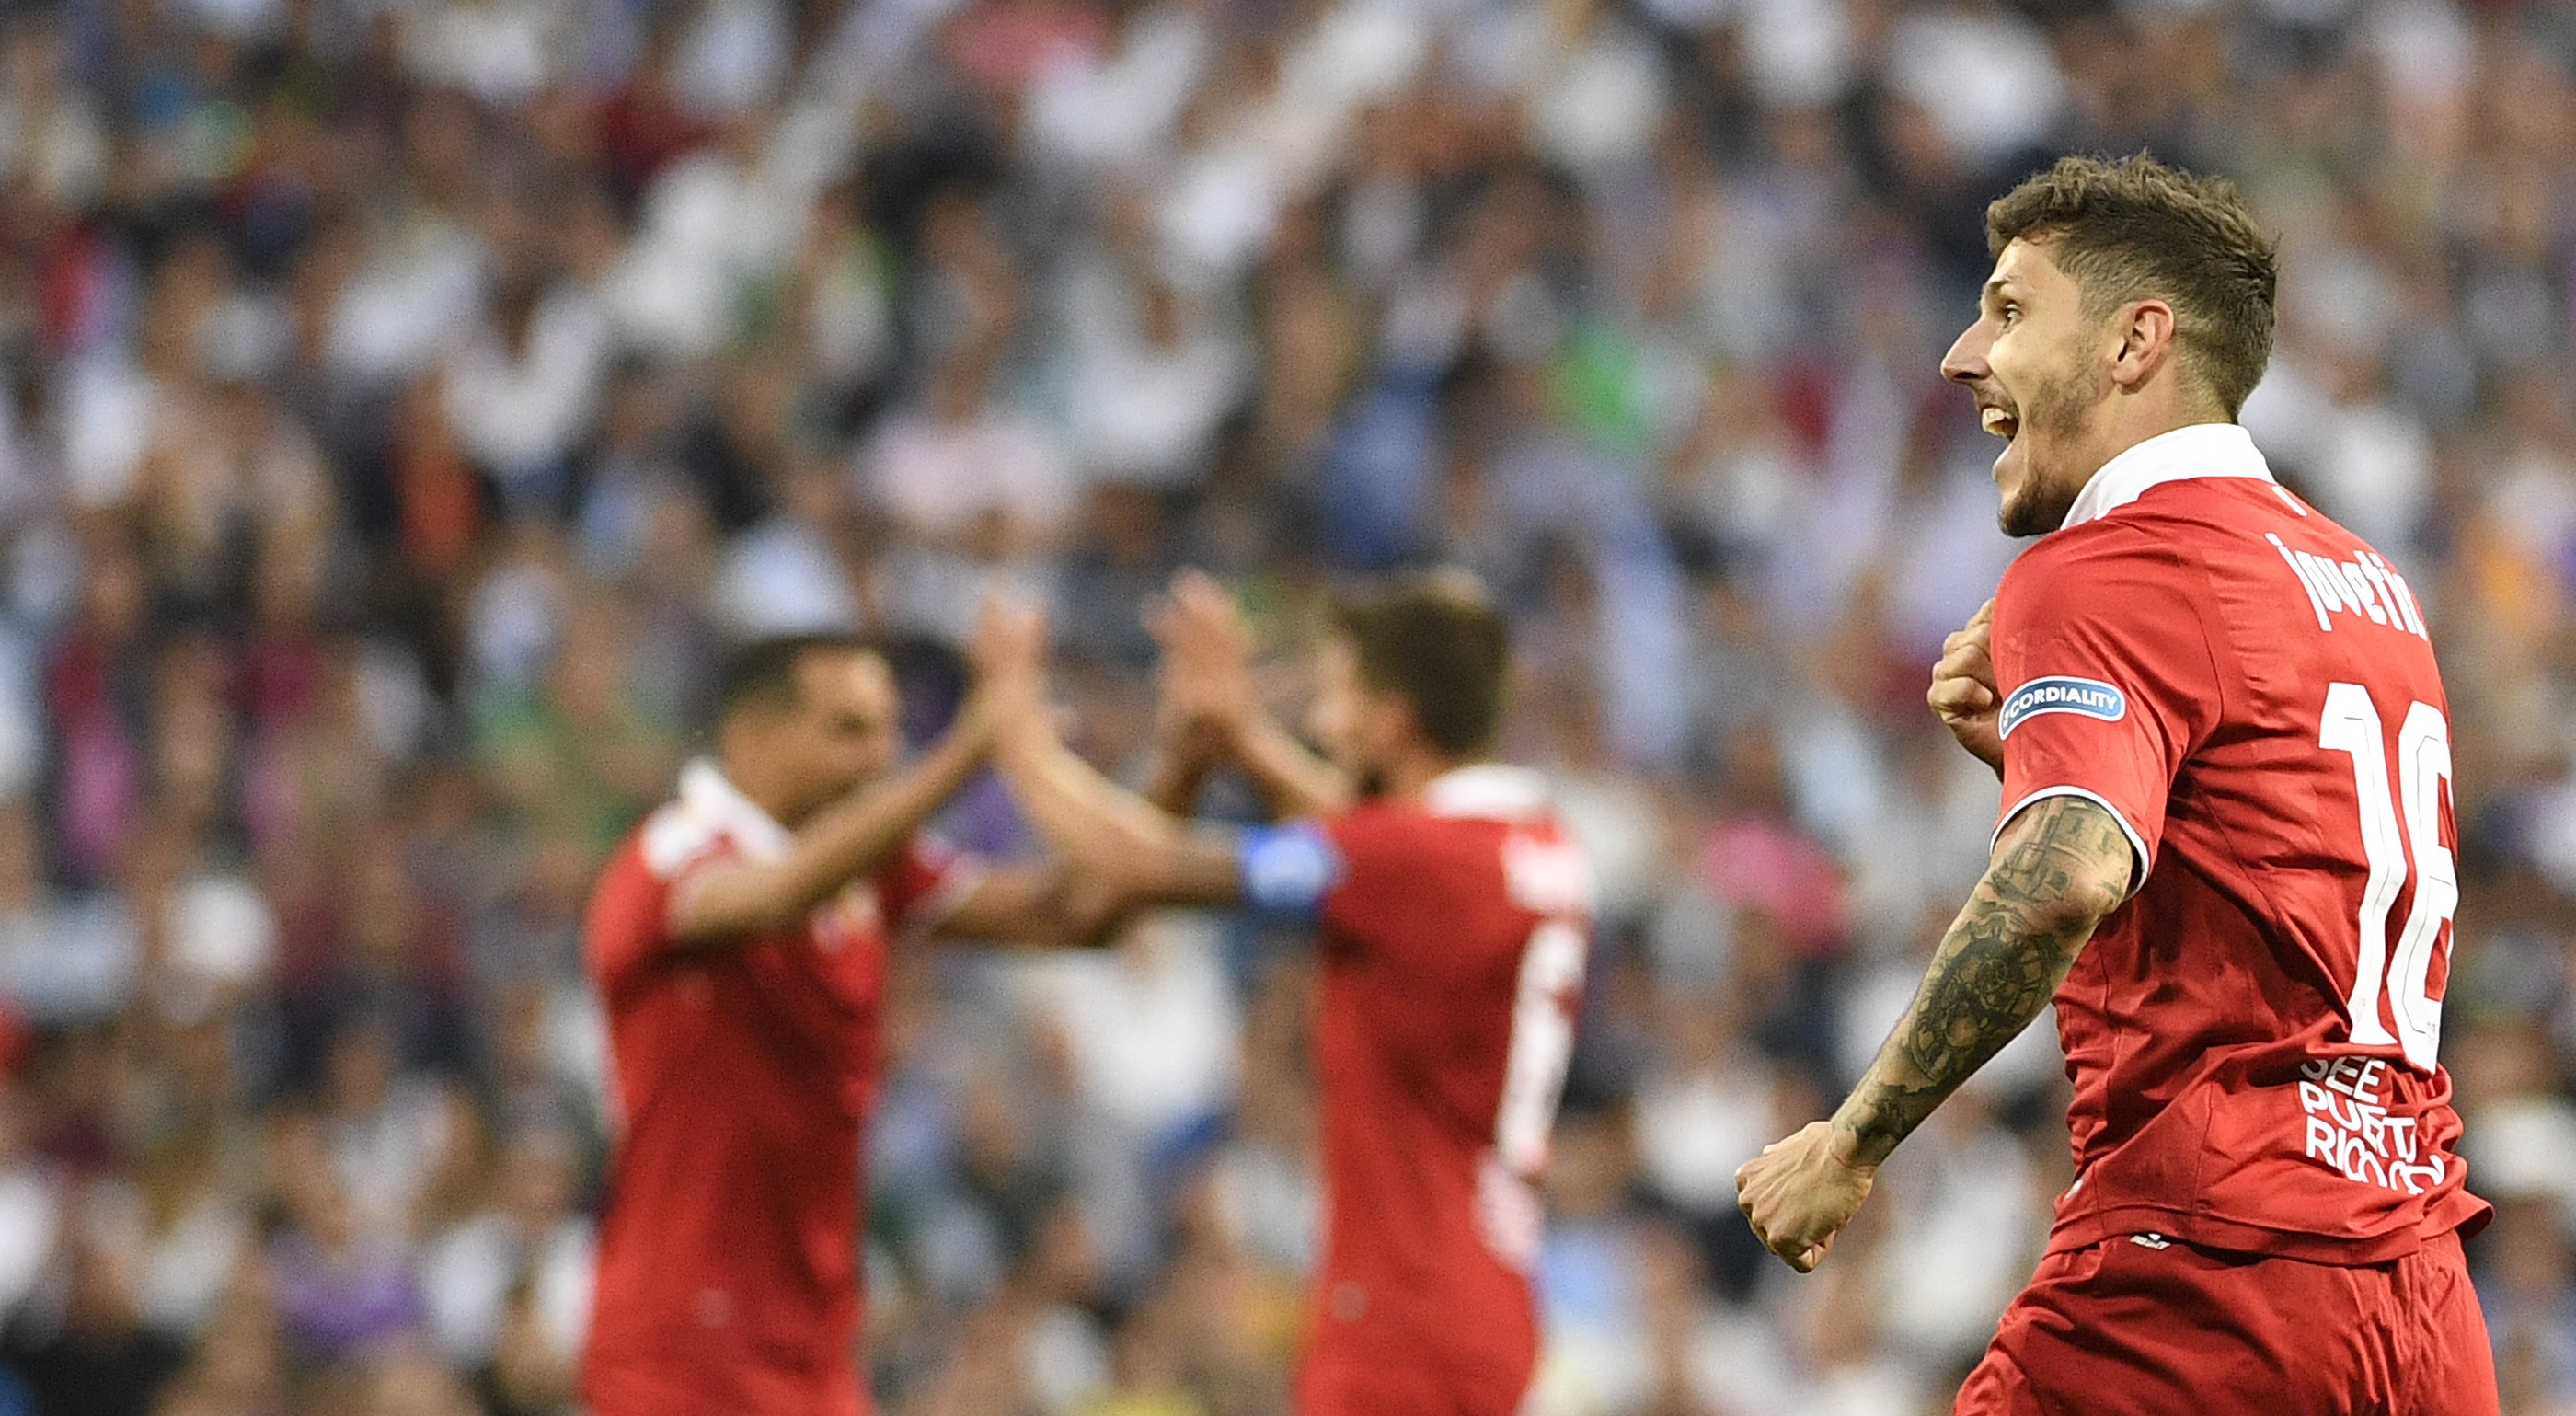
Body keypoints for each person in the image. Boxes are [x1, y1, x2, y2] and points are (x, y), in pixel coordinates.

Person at [1733, 154, 2497, 1414]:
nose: (1962, 354)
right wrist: (2037, 755)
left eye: (2011, 309)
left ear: (2138, 340)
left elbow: (2064, 880)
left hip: (2205, 1279)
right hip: (2417, 1292)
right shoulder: (2368, 584)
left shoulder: (2106, 565)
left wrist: (1849, 1138)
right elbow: (2270, 874)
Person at [997, 570, 1594, 1416]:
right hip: (1481, 1294)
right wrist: (1240, 737)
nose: (1320, 723)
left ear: (1394, 719)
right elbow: (1370, 845)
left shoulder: (1414, 858)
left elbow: (1133, 865)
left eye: (1338, 698)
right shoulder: (1533, 838)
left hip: (1403, 1319)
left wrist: (1009, 729)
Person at [579, 604, 1111, 1416]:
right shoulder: (672, 855)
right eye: (851, 731)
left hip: (815, 1341)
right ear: (754, 737)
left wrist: (1185, 765)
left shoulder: (869, 868)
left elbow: (1074, 916)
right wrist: (970, 748)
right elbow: (781, 893)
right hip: (685, 1341)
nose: (883, 758)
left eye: (891, 731)